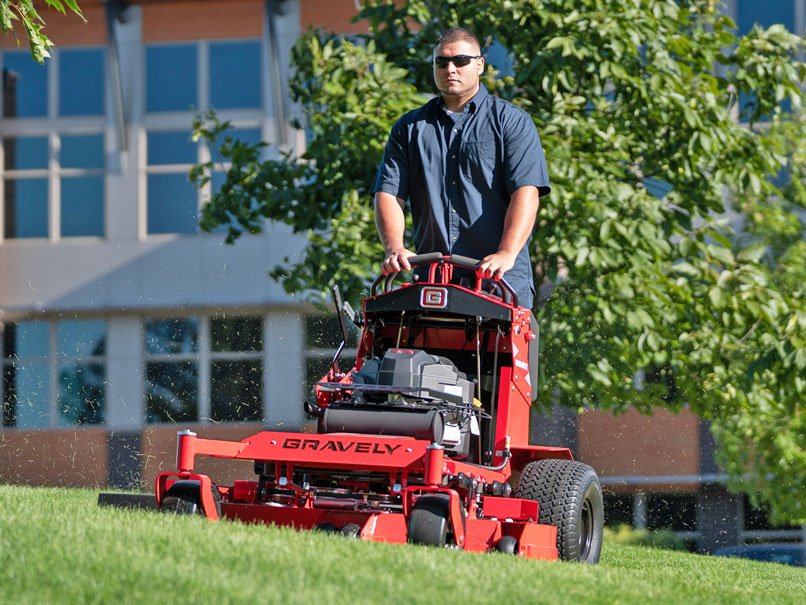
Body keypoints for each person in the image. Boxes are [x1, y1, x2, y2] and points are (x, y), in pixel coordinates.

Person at [371, 27, 551, 309]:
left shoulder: (511, 121)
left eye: (461, 61)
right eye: (441, 62)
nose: (450, 69)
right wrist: (394, 248)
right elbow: (389, 193)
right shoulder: (409, 128)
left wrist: (506, 253)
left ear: (480, 64)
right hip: (432, 283)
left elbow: (526, 193)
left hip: (499, 285)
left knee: (496, 356)